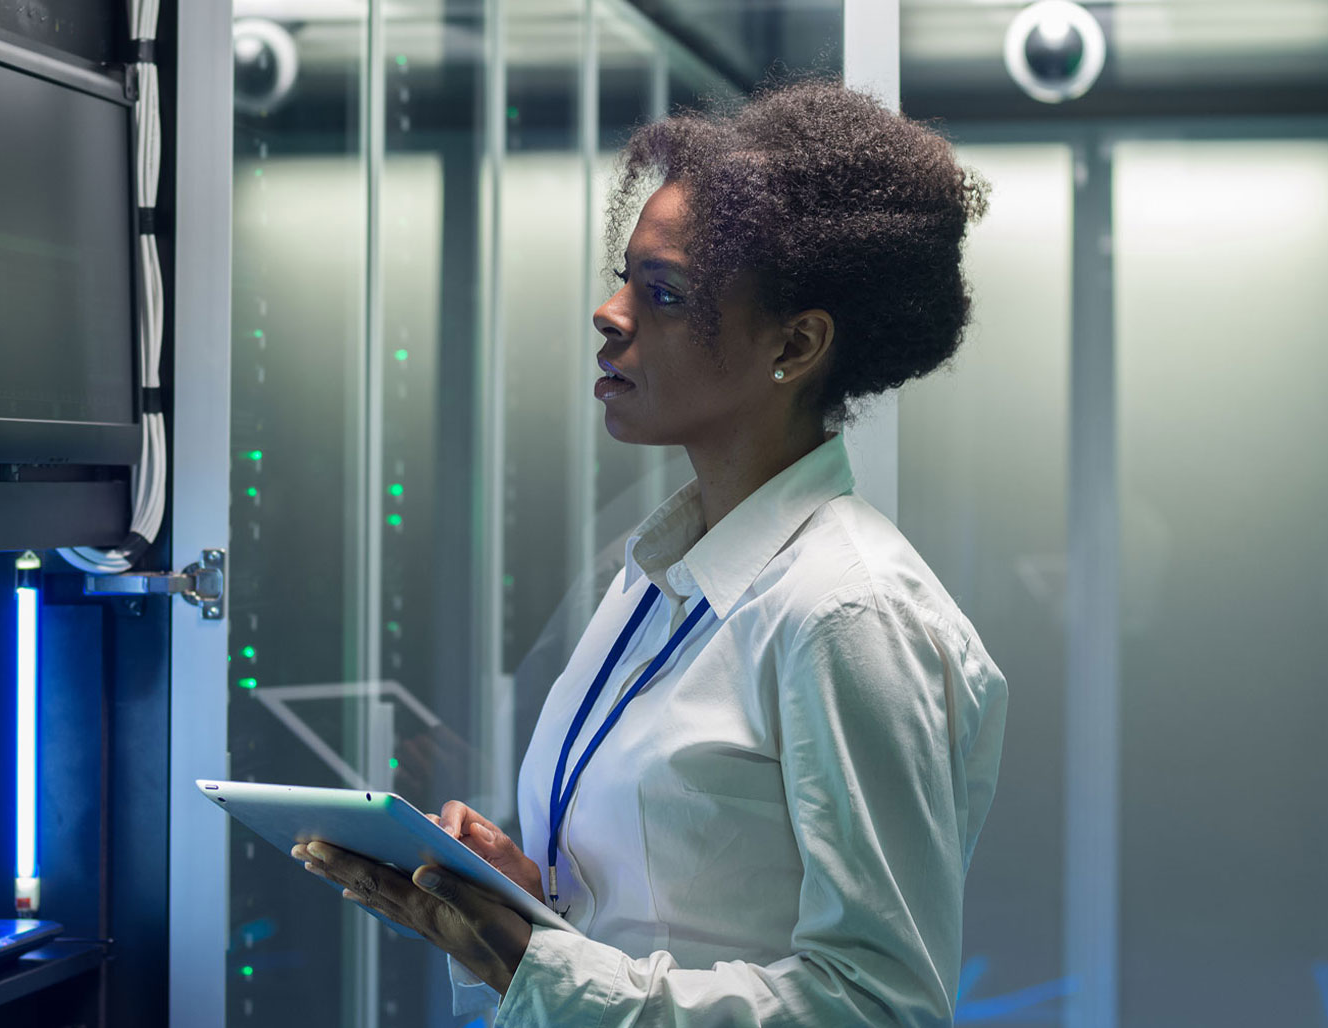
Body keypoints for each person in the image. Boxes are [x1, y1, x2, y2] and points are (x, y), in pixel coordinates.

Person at [291, 79, 1006, 1026]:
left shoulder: (846, 612)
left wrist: (535, 968)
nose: (610, 311)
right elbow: (664, 918)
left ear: (795, 343)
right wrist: (525, 909)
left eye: (663, 293)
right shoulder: (663, 572)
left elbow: (878, 1006)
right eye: (625, 275)